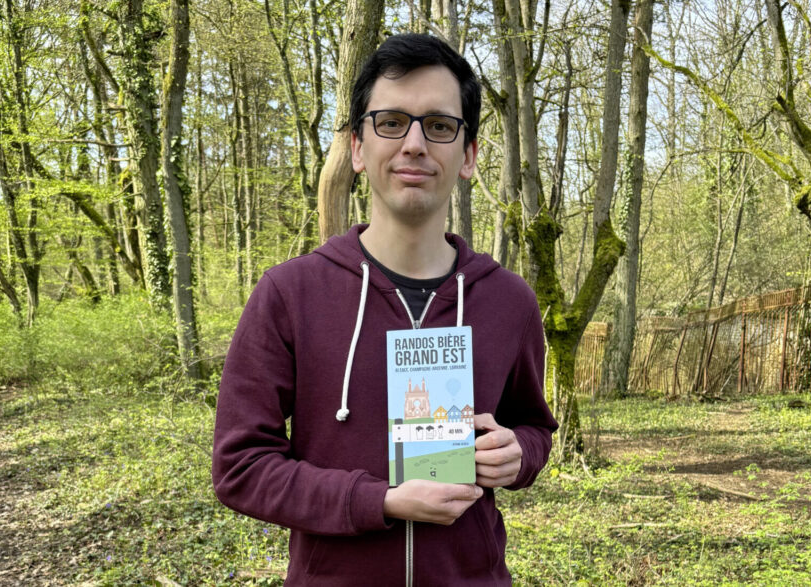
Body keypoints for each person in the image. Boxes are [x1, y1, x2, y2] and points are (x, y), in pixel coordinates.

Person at [212, 33, 558, 586]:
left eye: (439, 126)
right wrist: (379, 501)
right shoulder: (289, 294)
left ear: (468, 155)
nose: (415, 144)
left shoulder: (509, 301)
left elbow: (535, 427)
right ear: (357, 148)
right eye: (391, 122)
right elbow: (240, 467)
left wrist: (519, 454)